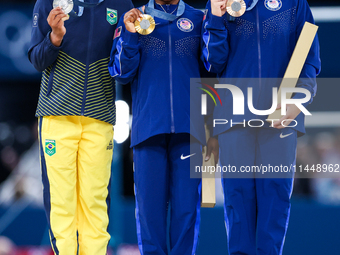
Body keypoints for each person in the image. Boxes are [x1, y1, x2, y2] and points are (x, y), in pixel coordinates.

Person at [202, 0, 321, 254]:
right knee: (237, 198)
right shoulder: (221, 2)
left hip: (281, 117)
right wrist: (215, 18)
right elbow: (213, 62)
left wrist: (300, 97)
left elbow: (308, 57)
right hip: (234, 118)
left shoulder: (294, 4)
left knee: (275, 198)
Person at [28, 0, 133, 254]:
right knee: (61, 203)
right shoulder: (48, 3)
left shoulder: (120, 5)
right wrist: (55, 37)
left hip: (100, 119)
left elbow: (125, 68)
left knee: (94, 204)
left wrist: (131, 39)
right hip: (57, 117)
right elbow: (36, 59)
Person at [108, 0, 207, 254]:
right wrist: (130, 35)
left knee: (187, 211)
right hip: (148, 130)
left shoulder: (198, 18)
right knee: (149, 214)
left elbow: (213, 65)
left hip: (189, 131)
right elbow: (121, 73)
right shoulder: (133, 18)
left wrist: (215, 23)